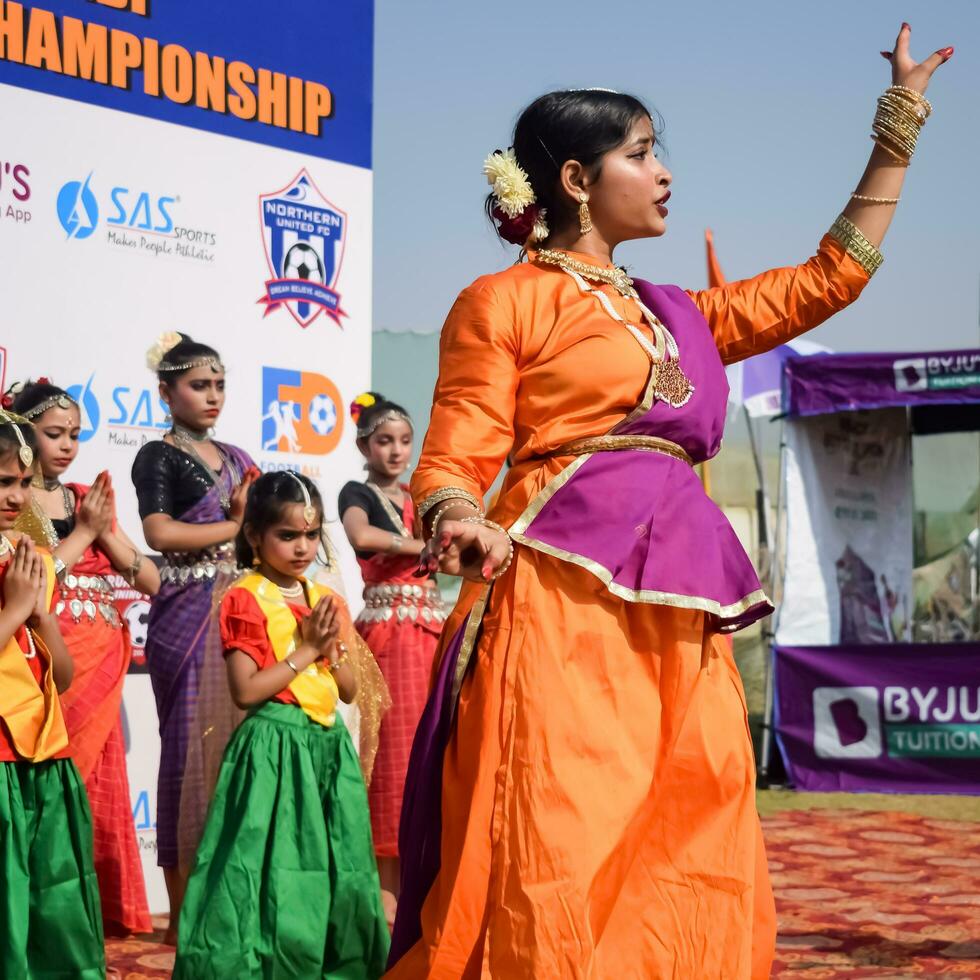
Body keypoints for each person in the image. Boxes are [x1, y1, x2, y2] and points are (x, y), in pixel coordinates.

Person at [388, 26, 952, 979]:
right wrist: (457, 515)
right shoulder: (505, 301)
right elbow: (456, 448)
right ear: (575, 178)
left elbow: (830, 278)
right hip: (560, 605)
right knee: (564, 825)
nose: (664, 173)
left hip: (681, 604)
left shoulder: (680, 313)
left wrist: (896, 131)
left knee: (696, 818)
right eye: (642, 153)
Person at [174, 471, 390, 979]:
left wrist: (332, 647)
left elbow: (350, 691)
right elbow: (245, 691)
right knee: (265, 871)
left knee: (338, 866)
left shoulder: (324, 598)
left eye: (311, 536)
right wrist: (308, 649)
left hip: (326, 748)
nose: (301, 548)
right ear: (254, 536)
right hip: (272, 747)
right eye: (287, 535)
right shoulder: (244, 597)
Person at [7, 378, 159, 936]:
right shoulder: (14, 502)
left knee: (95, 784)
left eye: (74, 433)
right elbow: (34, 577)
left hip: (102, 651)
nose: (68, 444)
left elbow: (150, 578)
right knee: (52, 777)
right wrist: (86, 535)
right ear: (24, 433)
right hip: (48, 644)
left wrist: (104, 531)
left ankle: (88, 919)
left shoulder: (81, 495)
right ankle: (38, 916)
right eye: (54, 433)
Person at [131, 332, 258, 941]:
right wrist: (234, 523)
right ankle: (184, 918)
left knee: (239, 752)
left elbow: (260, 533)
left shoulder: (235, 456)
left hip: (238, 608)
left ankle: (232, 904)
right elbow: (158, 534)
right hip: (184, 614)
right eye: (198, 386)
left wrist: (250, 526)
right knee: (187, 756)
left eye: (219, 385)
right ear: (166, 392)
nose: (212, 397)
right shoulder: (157, 456)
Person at [0, 409, 105, 977]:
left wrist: (37, 616)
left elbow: (60, 675)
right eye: (2, 483)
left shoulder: (30, 559)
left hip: (41, 755)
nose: (17, 498)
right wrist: (16, 609)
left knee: (50, 896)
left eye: (22, 482)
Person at [339, 392, 445, 900]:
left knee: (432, 751)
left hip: (429, 632)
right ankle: (384, 901)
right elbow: (362, 538)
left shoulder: (416, 497)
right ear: (364, 445)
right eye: (384, 441)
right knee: (392, 757)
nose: (396, 450)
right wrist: (420, 547)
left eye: (404, 440)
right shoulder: (356, 494)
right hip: (390, 635)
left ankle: (420, 899)